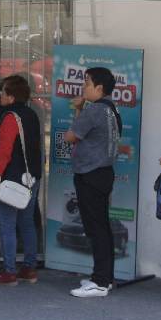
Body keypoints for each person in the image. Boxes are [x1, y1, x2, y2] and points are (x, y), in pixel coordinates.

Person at [63, 67, 121, 298]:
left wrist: (78, 110)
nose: (83, 87)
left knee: (96, 228)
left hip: (91, 175)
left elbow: (71, 136)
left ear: (99, 88)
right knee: (102, 227)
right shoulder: (111, 109)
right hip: (103, 174)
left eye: (86, 83)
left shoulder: (94, 110)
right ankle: (105, 278)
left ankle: (99, 281)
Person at [0, 74, 42, 286]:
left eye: (3, 92)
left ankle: (9, 271)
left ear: (10, 97)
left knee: (7, 224)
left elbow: (4, 151)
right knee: (27, 222)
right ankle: (29, 268)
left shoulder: (10, 117)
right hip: (30, 177)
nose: (0, 95)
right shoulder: (31, 115)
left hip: (11, 178)